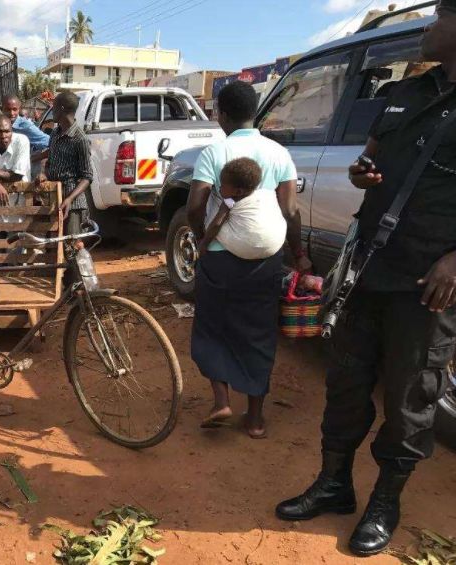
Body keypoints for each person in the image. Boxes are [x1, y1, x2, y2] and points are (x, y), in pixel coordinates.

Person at [276, 2, 456, 556]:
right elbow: (370, 158)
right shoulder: (409, 92)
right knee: (346, 384)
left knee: (410, 400)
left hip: (426, 284)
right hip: (368, 271)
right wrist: (362, 172)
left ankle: (386, 501)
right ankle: (334, 484)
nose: (430, 26)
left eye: (442, 15)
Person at [186, 80, 310, 439]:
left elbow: (195, 206)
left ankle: (222, 401)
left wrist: (201, 238)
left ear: (221, 114)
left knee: (212, 327)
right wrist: (299, 255)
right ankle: (255, 419)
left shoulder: (214, 153)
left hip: (222, 260)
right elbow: (291, 211)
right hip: (266, 262)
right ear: (254, 112)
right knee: (258, 333)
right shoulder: (278, 153)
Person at [196, 158, 286, 261]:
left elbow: (217, 224)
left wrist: (204, 244)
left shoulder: (229, 202)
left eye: (222, 185)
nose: (219, 187)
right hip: (275, 244)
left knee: (211, 200)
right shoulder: (264, 193)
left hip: (249, 247)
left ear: (238, 192)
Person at [35, 91, 93, 237]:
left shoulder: (80, 139)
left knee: (70, 247)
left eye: (53, 106)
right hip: (54, 198)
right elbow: (50, 162)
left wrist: (69, 199)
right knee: (53, 248)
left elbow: (87, 177)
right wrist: (43, 174)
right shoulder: (55, 133)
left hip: (72, 205)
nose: (51, 109)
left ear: (60, 109)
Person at [1, 94, 50, 177]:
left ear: (19, 109)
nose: (11, 113)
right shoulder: (0, 124)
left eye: (14, 109)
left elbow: (50, 142)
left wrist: (32, 158)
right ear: (2, 109)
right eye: (7, 109)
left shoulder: (24, 125)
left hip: (27, 169)